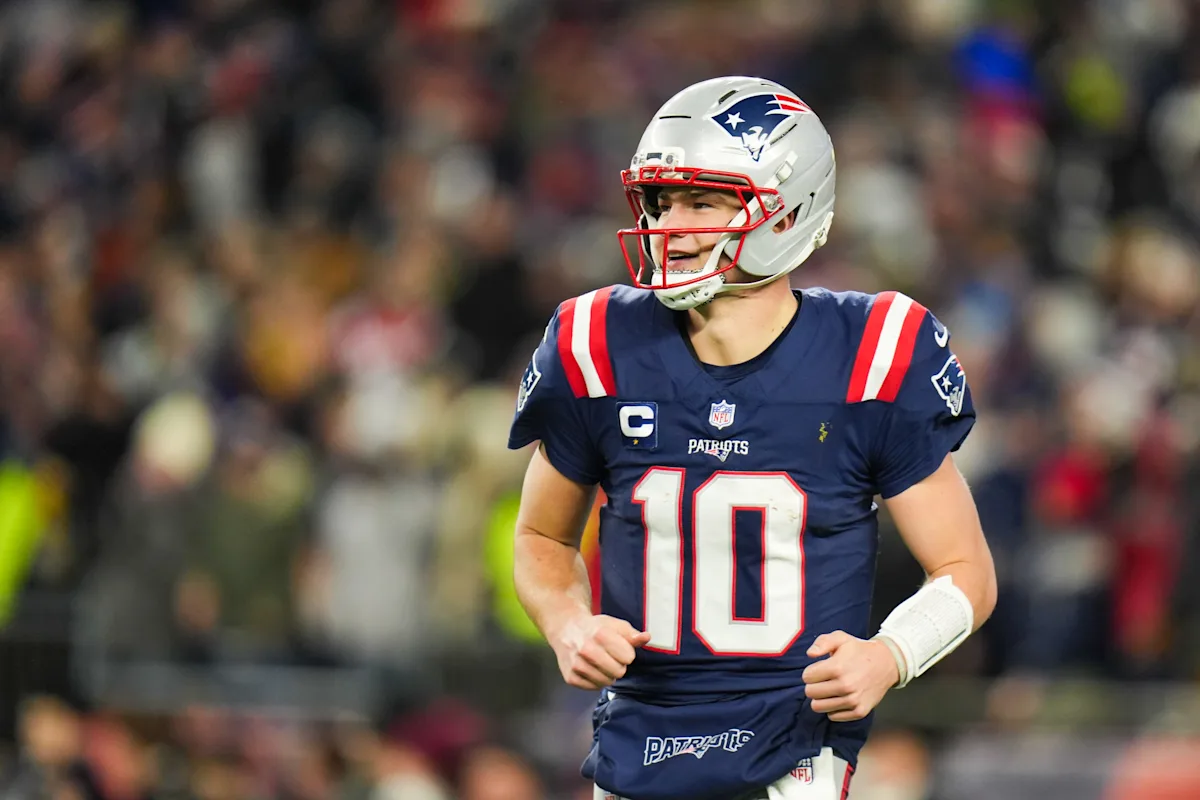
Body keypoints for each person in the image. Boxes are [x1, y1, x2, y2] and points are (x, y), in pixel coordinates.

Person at [508, 76, 997, 800]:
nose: (671, 225)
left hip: (791, 746)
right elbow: (541, 538)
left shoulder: (872, 352)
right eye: (661, 202)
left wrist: (890, 655)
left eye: (702, 202)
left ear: (788, 210)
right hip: (638, 737)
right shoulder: (597, 342)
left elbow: (966, 570)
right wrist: (567, 623)